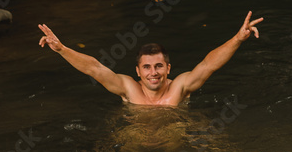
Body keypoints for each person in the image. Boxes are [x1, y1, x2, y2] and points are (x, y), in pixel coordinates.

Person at [37, 12, 262, 107]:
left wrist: (238, 39)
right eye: (146, 67)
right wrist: (61, 49)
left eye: (158, 66)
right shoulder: (128, 88)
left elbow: (208, 65)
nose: (152, 72)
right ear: (137, 71)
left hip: (175, 147)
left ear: (168, 68)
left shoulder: (181, 87)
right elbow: (95, 69)